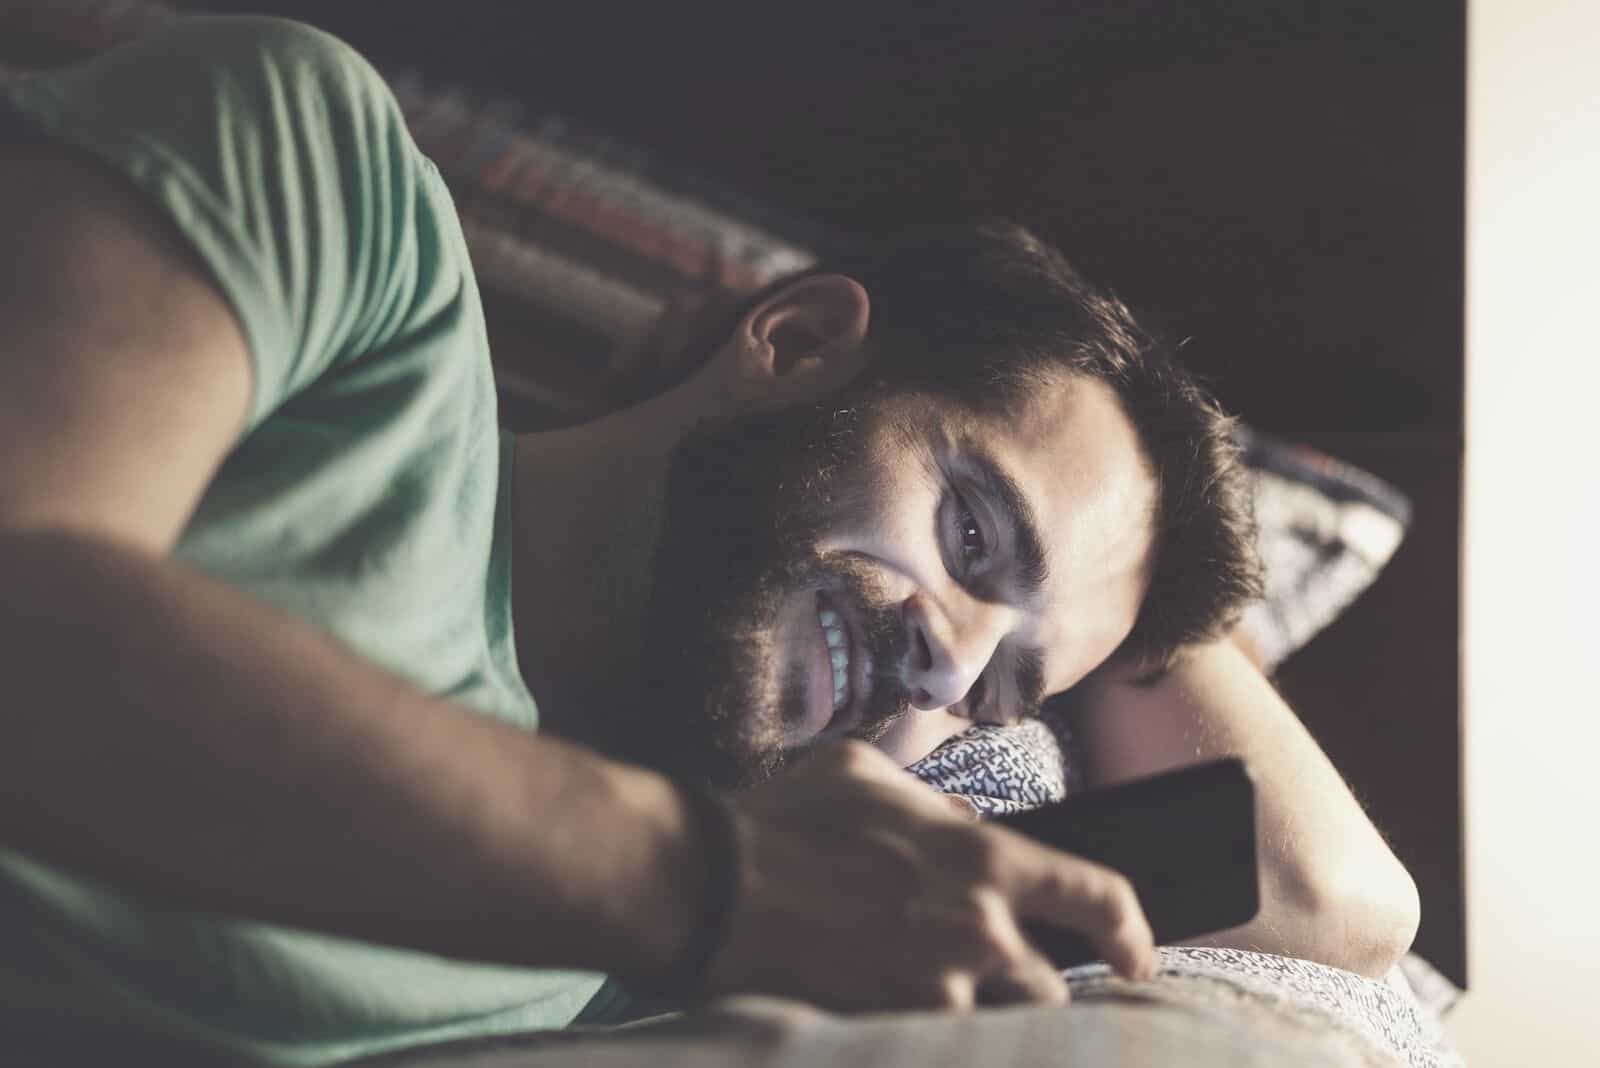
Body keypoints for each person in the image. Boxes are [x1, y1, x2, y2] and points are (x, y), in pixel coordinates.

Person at [0, 15, 1420, 1066]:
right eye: (970, 527)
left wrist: (1141, 537)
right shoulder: (338, 198)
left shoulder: (692, 955)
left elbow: (1332, 909)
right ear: (799, 341)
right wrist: (703, 883)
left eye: (1001, 688)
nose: (944, 668)